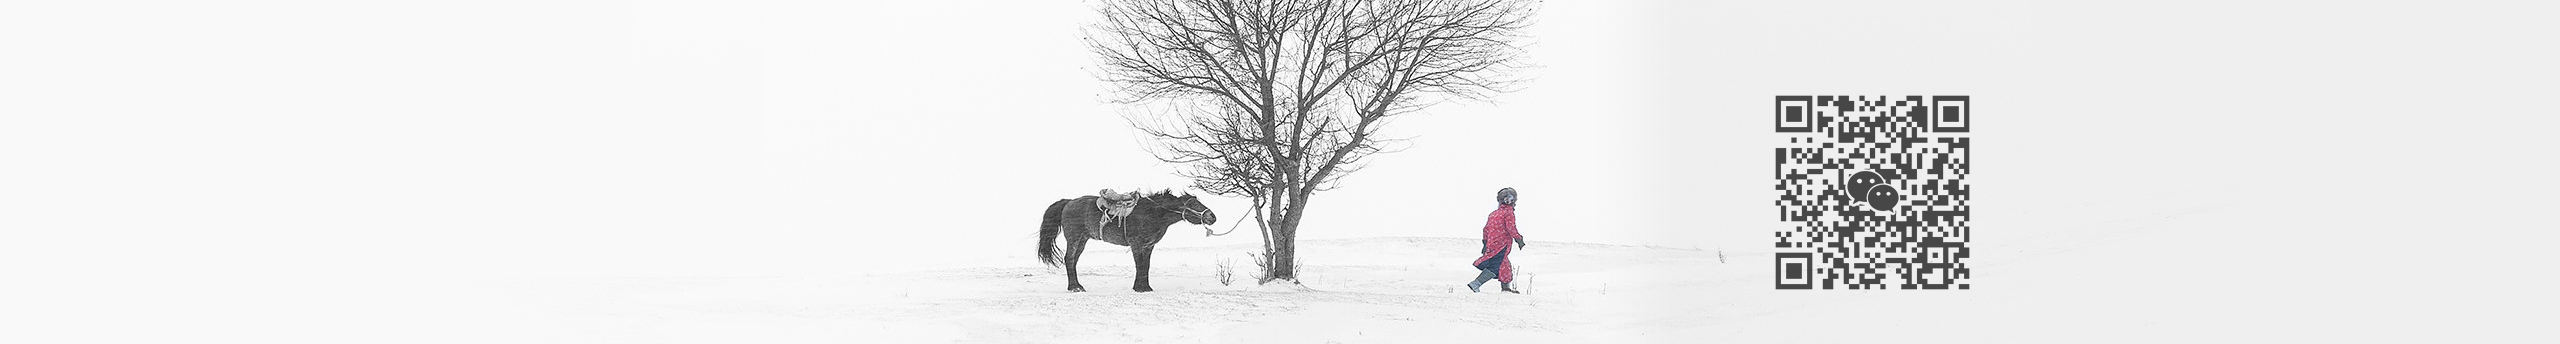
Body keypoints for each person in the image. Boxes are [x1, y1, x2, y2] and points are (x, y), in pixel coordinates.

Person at [1469, 187, 1528, 293]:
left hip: (1492, 244)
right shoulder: (1508, 213)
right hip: (1501, 245)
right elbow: (1511, 228)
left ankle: (1506, 288)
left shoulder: (1493, 214)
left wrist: (1485, 243)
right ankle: (1476, 283)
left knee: (1505, 266)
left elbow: (1486, 229)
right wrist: (1519, 239)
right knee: (1496, 266)